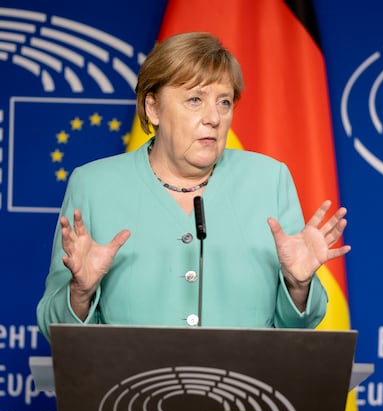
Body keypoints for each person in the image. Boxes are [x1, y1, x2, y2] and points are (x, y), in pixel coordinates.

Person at [36, 32, 350, 342]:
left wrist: (298, 285)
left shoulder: (269, 180)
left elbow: (299, 328)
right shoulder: (94, 186)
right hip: (126, 389)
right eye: (195, 100)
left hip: (244, 388)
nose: (213, 117)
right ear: (153, 108)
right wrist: (80, 293)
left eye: (224, 102)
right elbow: (54, 329)